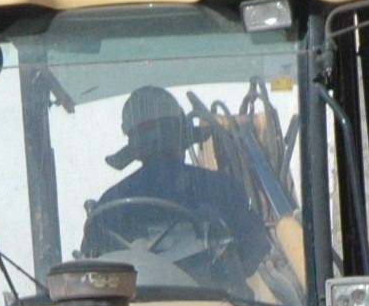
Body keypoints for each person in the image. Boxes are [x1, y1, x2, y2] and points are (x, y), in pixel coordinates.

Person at [82, 85, 258, 259]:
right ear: (181, 134)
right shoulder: (220, 187)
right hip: (208, 279)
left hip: (135, 279)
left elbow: (92, 261)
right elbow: (255, 247)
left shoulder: (111, 203)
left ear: (134, 145)